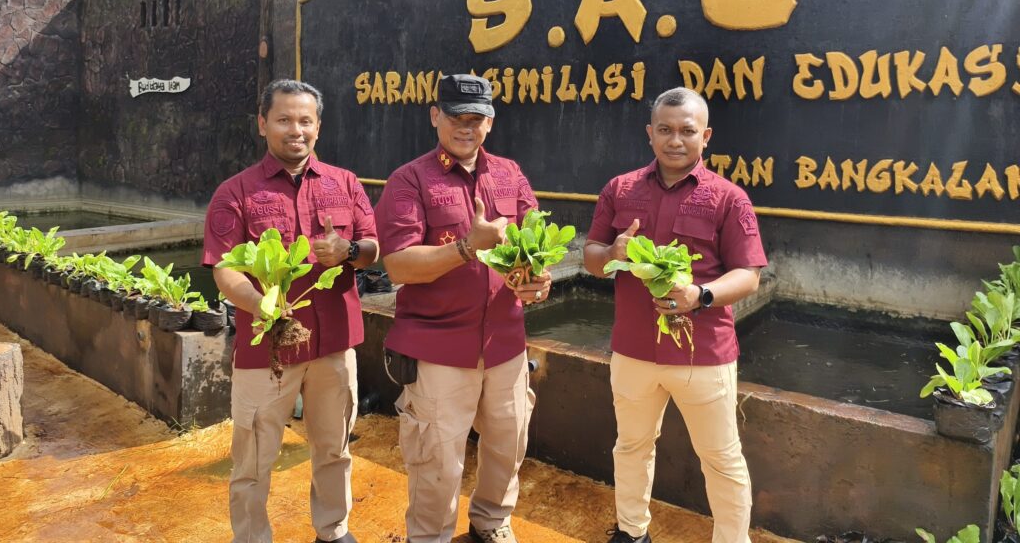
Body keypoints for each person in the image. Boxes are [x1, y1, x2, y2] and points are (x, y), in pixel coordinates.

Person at [583, 87, 767, 543]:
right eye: (665, 129)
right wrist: (611, 252)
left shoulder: (729, 198)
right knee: (631, 446)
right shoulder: (619, 190)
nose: (675, 140)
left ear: (706, 136)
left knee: (721, 458)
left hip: (702, 355)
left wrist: (700, 295)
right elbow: (591, 256)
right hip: (633, 350)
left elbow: (748, 275)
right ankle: (631, 532)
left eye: (687, 130)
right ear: (650, 133)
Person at [375, 73, 551, 543]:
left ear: (490, 122)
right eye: (456, 117)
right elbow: (398, 265)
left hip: (506, 344)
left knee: (508, 444)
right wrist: (467, 248)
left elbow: (537, 244)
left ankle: (491, 521)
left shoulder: (510, 174)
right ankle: (429, 536)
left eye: (476, 118)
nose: (466, 127)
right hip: (438, 346)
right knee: (436, 457)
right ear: (436, 116)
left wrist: (538, 279)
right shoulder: (409, 179)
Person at [203, 79, 378, 543]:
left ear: (318, 126)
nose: (295, 130)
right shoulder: (235, 193)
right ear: (263, 124)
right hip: (267, 349)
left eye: (305, 120)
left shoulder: (346, 183)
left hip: (333, 344)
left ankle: (333, 529)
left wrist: (348, 250)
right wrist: (261, 304)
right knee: (253, 459)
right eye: (283, 119)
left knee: (334, 448)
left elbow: (372, 248)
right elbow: (225, 269)